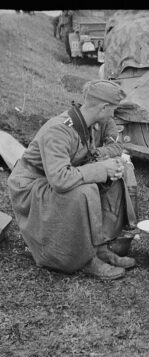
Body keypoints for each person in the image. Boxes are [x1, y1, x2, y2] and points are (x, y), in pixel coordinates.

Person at [8, 80, 138, 280]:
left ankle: (99, 247)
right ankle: (84, 259)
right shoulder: (58, 130)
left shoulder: (87, 123)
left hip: (53, 177)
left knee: (113, 179)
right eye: (113, 109)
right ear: (103, 107)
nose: (113, 115)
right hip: (31, 184)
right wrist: (100, 168)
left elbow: (81, 163)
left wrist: (106, 171)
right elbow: (59, 180)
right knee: (83, 191)